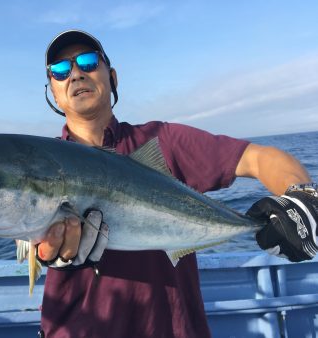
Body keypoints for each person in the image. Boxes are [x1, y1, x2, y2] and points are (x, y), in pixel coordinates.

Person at [21, 30, 318, 338]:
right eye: (60, 70)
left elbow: (260, 158)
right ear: (52, 93)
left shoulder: (164, 142)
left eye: (87, 61)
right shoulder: (35, 164)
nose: (76, 74)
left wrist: (303, 198)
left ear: (113, 77)